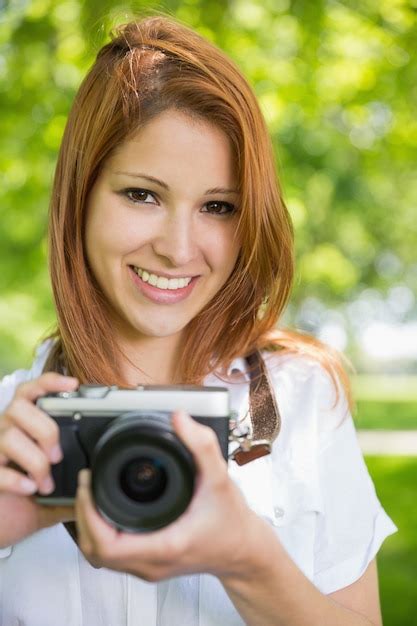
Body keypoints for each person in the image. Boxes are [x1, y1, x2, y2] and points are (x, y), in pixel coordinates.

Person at [0, 14, 397, 626]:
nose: (180, 250)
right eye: (142, 195)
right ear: (79, 195)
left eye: (218, 206)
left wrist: (249, 559)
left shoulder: (302, 401)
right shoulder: (9, 428)